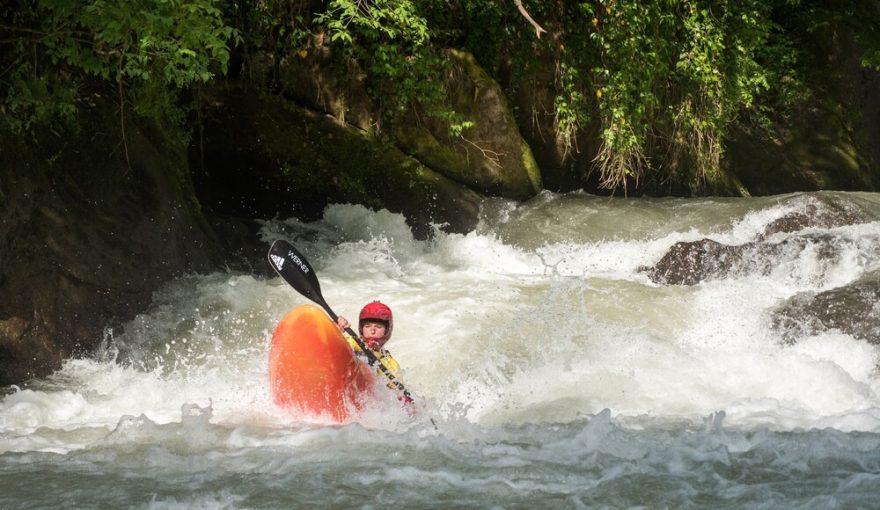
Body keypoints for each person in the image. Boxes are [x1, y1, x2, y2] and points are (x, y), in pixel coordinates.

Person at [336, 300, 404, 385]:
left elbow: (396, 395)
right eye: (367, 326)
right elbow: (330, 345)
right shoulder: (351, 342)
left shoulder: (391, 366)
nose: (372, 331)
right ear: (361, 328)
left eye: (378, 327)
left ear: (387, 330)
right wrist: (337, 330)